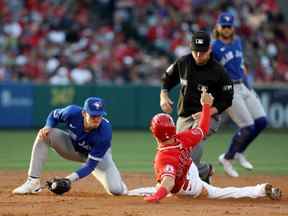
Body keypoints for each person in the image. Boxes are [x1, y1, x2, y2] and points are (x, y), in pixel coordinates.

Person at [140, 89, 281, 203]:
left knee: (221, 193)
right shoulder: (182, 138)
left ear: (154, 133)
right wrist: (206, 106)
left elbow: (169, 182)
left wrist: (156, 197)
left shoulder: (164, 158)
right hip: (189, 168)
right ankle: (206, 171)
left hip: (191, 187)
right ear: (172, 128)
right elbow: (203, 129)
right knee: (160, 184)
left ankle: (261, 190)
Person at [12, 97, 127, 195]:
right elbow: (53, 115)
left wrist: (68, 180)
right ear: (83, 113)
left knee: (116, 190)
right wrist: (48, 125)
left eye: (100, 115)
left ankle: (121, 186)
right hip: (72, 148)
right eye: (93, 115)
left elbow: (91, 165)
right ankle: (32, 182)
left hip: (98, 159)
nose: (97, 119)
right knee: (45, 134)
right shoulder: (71, 112)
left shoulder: (105, 133)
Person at [160, 30, 234, 183]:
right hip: (185, 116)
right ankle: (205, 171)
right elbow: (167, 78)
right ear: (190, 48)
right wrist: (164, 95)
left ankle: (193, 178)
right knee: (178, 151)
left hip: (208, 116)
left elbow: (227, 100)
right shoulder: (183, 62)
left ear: (210, 49)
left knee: (194, 140)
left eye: (202, 52)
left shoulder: (218, 71)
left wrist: (208, 112)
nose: (199, 55)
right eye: (196, 51)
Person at [212, 12, 268, 177]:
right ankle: (227, 158)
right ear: (218, 27)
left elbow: (241, 65)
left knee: (262, 122)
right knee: (247, 126)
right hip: (229, 89)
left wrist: (248, 85)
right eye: (224, 26)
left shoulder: (237, 42)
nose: (227, 29)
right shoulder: (214, 47)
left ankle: (239, 152)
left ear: (233, 27)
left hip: (243, 86)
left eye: (229, 26)